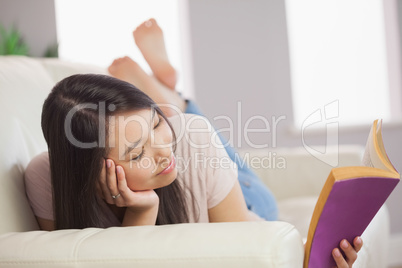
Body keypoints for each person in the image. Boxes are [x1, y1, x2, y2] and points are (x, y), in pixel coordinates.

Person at [24, 18, 362, 267]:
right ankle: (166, 93)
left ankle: (172, 98)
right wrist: (142, 211)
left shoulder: (188, 139)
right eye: (137, 152)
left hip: (249, 204)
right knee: (189, 132)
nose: (162, 151)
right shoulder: (46, 179)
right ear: (90, 174)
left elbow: (253, 248)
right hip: (199, 163)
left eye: (157, 122)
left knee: (194, 132)